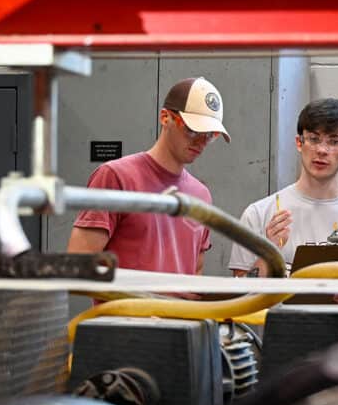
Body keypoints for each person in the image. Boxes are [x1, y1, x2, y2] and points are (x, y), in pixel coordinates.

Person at [68, 76, 230, 276]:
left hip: (182, 309)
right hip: (126, 308)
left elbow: (195, 270)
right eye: (192, 130)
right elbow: (79, 263)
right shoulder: (116, 178)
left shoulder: (201, 196)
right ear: (165, 118)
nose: (200, 142)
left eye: (209, 135)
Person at [228, 98, 338, 277]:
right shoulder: (259, 214)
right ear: (299, 143)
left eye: (334, 142)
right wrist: (268, 253)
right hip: (278, 306)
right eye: (314, 139)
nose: (322, 150)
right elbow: (240, 295)